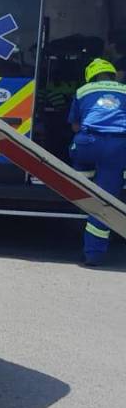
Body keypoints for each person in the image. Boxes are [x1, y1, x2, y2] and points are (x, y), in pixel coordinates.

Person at [68, 57, 126, 266]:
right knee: (105, 203)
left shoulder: (83, 90)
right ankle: (93, 256)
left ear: (90, 75)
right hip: (118, 147)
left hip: (88, 145)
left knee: (75, 148)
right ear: (112, 74)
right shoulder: (124, 90)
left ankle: (84, 178)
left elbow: (75, 126)